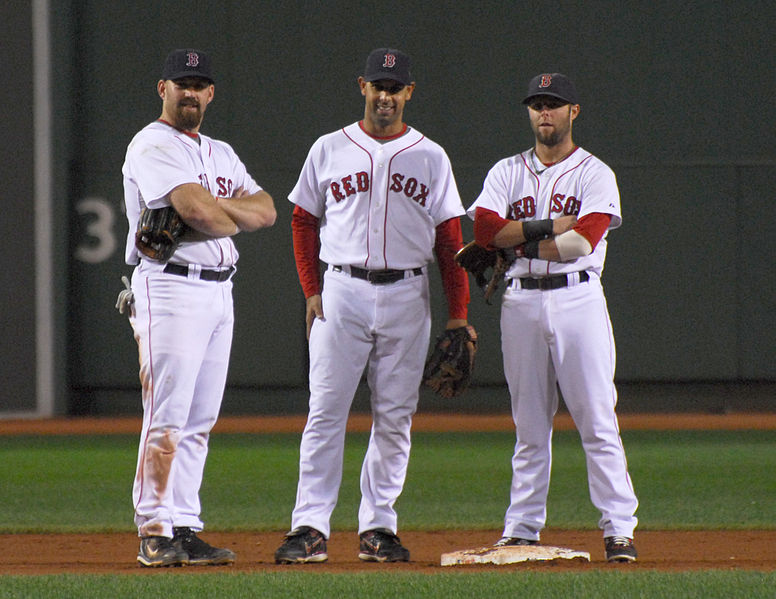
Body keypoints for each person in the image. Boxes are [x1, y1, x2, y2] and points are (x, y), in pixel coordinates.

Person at [274, 48, 471, 564]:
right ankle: (310, 526)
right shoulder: (329, 148)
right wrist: (311, 290)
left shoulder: (432, 156)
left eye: (395, 87)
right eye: (377, 86)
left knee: (395, 417)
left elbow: (450, 240)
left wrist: (459, 314)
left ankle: (378, 526)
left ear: (409, 92)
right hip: (342, 290)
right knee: (325, 411)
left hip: (409, 292)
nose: (385, 96)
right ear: (362, 86)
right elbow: (302, 220)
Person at [467, 72, 639, 562]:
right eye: (537, 103)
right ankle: (521, 527)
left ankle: (618, 529)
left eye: (555, 104)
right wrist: (541, 229)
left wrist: (514, 238)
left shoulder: (595, 173)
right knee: (529, 424)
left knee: (597, 419)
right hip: (519, 302)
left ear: (573, 112)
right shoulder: (505, 171)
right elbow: (482, 229)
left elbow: (581, 241)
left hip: (577, 301)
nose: (545, 112)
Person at [119, 48, 277, 567]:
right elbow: (195, 213)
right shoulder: (151, 143)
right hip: (169, 287)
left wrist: (217, 210)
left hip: (218, 289)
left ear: (211, 93)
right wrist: (223, 213)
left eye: (199, 83)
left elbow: (267, 211)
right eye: (181, 82)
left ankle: (184, 523)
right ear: (161, 88)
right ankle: (154, 530)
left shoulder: (221, 152)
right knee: (166, 416)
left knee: (199, 419)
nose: (190, 91)